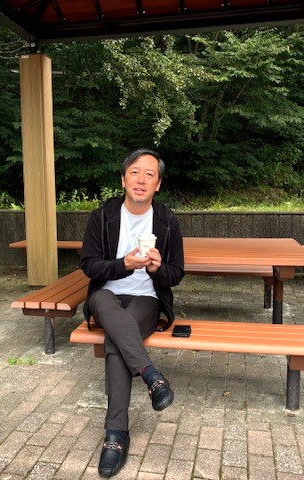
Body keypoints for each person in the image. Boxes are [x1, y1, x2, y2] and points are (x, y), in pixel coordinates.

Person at [80, 148, 185, 477]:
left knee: (116, 340)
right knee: (102, 302)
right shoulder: (102, 216)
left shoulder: (167, 221)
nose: (141, 179)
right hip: (107, 295)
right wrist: (122, 265)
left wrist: (157, 269)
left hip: (146, 299)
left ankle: (116, 434)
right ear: (123, 179)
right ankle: (151, 375)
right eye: (135, 172)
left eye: (149, 174)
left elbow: (176, 274)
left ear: (158, 184)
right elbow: (89, 265)